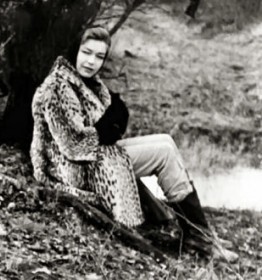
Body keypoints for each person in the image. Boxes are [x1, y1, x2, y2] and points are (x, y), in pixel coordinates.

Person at [30, 27, 238, 262]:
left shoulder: (85, 83)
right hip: (72, 170)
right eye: (86, 52)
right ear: (73, 51)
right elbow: (76, 144)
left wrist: (112, 122)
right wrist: (109, 124)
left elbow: (113, 124)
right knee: (165, 152)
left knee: (166, 142)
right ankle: (199, 237)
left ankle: (199, 233)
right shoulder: (58, 87)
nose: (91, 61)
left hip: (91, 158)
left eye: (99, 56)